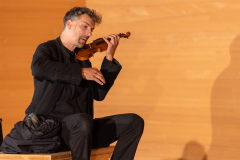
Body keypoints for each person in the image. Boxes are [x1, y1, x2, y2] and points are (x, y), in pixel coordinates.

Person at [24, 6, 144, 160]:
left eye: (92, 29)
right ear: (69, 24)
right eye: (85, 26)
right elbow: (39, 68)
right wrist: (80, 73)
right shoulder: (48, 49)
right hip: (52, 131)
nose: (89, 34)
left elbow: (99, 94)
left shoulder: (82, 57)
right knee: (82, 120)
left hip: (83, 132)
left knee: (133, 122)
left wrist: (109, 57)